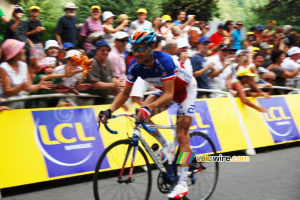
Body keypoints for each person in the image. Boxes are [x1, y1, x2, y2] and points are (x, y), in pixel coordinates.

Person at [99, 29, 197, 199]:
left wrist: (149, 107)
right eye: (133, 48)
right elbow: (124, 93)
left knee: (182, 136)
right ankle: (166, 145)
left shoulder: (164, 60)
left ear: (151, 47)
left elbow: (168, 95)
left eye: (140, 48)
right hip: (168, 90)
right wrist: (109, 110)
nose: (136, 53)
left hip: (186, 90)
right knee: (141, 116)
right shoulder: (135, 65)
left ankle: (182, 184)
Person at [0, 39, 52, 109]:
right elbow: (8, 92)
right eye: (21, 49)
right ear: (15, 53)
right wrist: (20, 87)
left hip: (21, 103)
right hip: (7, 105)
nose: (24, 51)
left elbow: (29, 87)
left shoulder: (23, 65)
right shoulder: (4, 67)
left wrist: (38, 86)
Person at [85, 40, 122, 104]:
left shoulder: (108, 62)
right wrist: (114, 85)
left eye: (107, 50)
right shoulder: (92, 63)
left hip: (104, 98)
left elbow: (112, 78)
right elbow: (95, 84)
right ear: (97, 51)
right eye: (103, 50)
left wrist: (118, 84)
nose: (105, 52)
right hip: (89, 99)